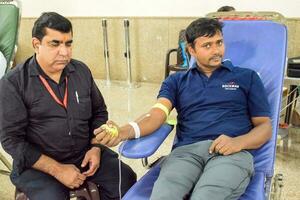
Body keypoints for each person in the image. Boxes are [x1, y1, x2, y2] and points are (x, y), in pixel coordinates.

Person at [93, 18, 272, 200]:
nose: (216, 50)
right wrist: (123, 132)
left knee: (205, 196)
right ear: (191, 50)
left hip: (231, 153)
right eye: (207, 45)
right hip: (186, 153)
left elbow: (265, 126)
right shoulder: (176, 81)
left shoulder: (246, 77)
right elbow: (156, 116)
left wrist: (238, 143)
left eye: (219, 42)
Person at [0, 12, 136, 200]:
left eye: (68, 43)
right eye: (55, 44)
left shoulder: (80, 71)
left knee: (126, 181)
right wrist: (57, 170)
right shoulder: (14, 83)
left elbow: (99, 112)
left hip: (85, 153)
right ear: (36, 44)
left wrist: (95, 147)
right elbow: (11, 141)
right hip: (39, 164)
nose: (64, 52)